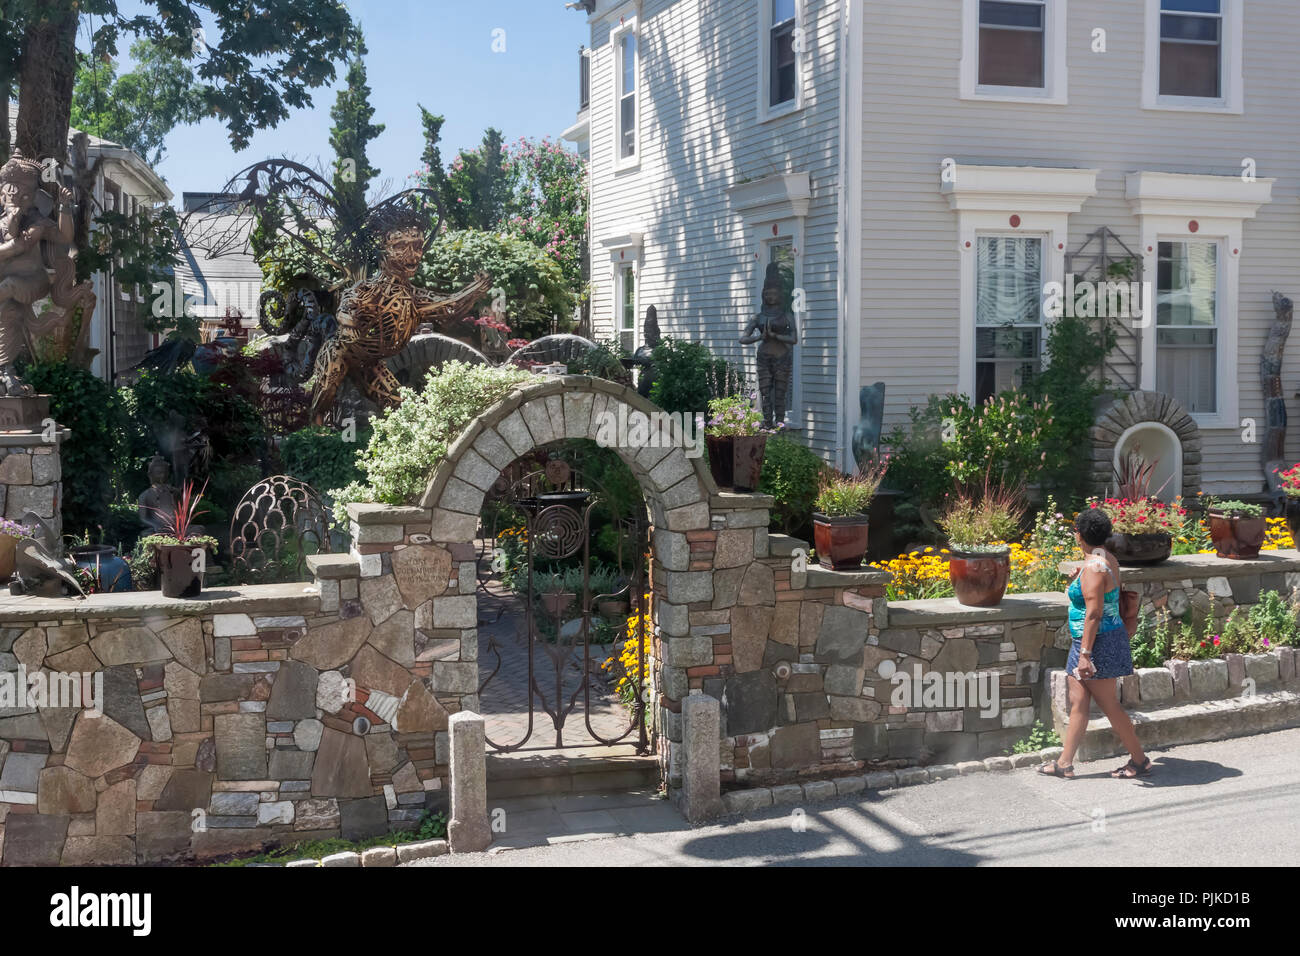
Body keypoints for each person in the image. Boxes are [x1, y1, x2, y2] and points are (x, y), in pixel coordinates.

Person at [1038, 507, 1153, 779]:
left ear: (1078, 534)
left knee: (1108, 704)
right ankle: (1065, 763)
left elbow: (1094, 613)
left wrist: (1086, 655)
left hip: (1096, 643)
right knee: (1078, 702)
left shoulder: (1093, 567)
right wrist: (1080, 576)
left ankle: (1140, 761)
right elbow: (1101, 582)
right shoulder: (1104, 557)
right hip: (1094, 640)